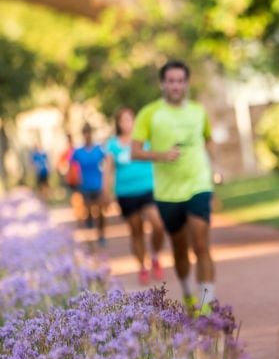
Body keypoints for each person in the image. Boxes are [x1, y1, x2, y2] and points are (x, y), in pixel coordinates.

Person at [131, 60, 221, 311]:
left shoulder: (197, 111)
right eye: (171, 81)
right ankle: (187, 292)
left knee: (201, 244)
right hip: (168, 192)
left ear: (186, 83)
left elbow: (209, 140)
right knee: (180, 249)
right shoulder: (149, 114)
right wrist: (161, 155)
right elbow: (135, 151)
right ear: (162, 84)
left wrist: (217, 167)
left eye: (180, 81)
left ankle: (206, 305)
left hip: (198, 184)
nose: (176, 86)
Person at [103, 107, 166, 286]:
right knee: (136, 230)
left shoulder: (144, 140)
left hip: (148, 189)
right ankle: (142, 266)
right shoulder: (112, 145)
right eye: (123, 120)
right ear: (118, 123)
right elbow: (108, 170)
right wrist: (106, 192)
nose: (127, 123)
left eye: (130, 119)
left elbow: (158, 158)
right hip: (126, 193)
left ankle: (155, 256)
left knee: (158, 224)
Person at [71, 124, 109, 246]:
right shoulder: (78, 152)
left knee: (100, 211)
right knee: (87, 211)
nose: (87, 135)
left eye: (89, 132)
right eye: (85, 133)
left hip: (98, 185)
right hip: (84, 187)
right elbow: (70, 166)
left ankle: (101, 235)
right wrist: (74, 180)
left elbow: (109, 163)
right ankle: (90, 230)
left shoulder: (99, 149)